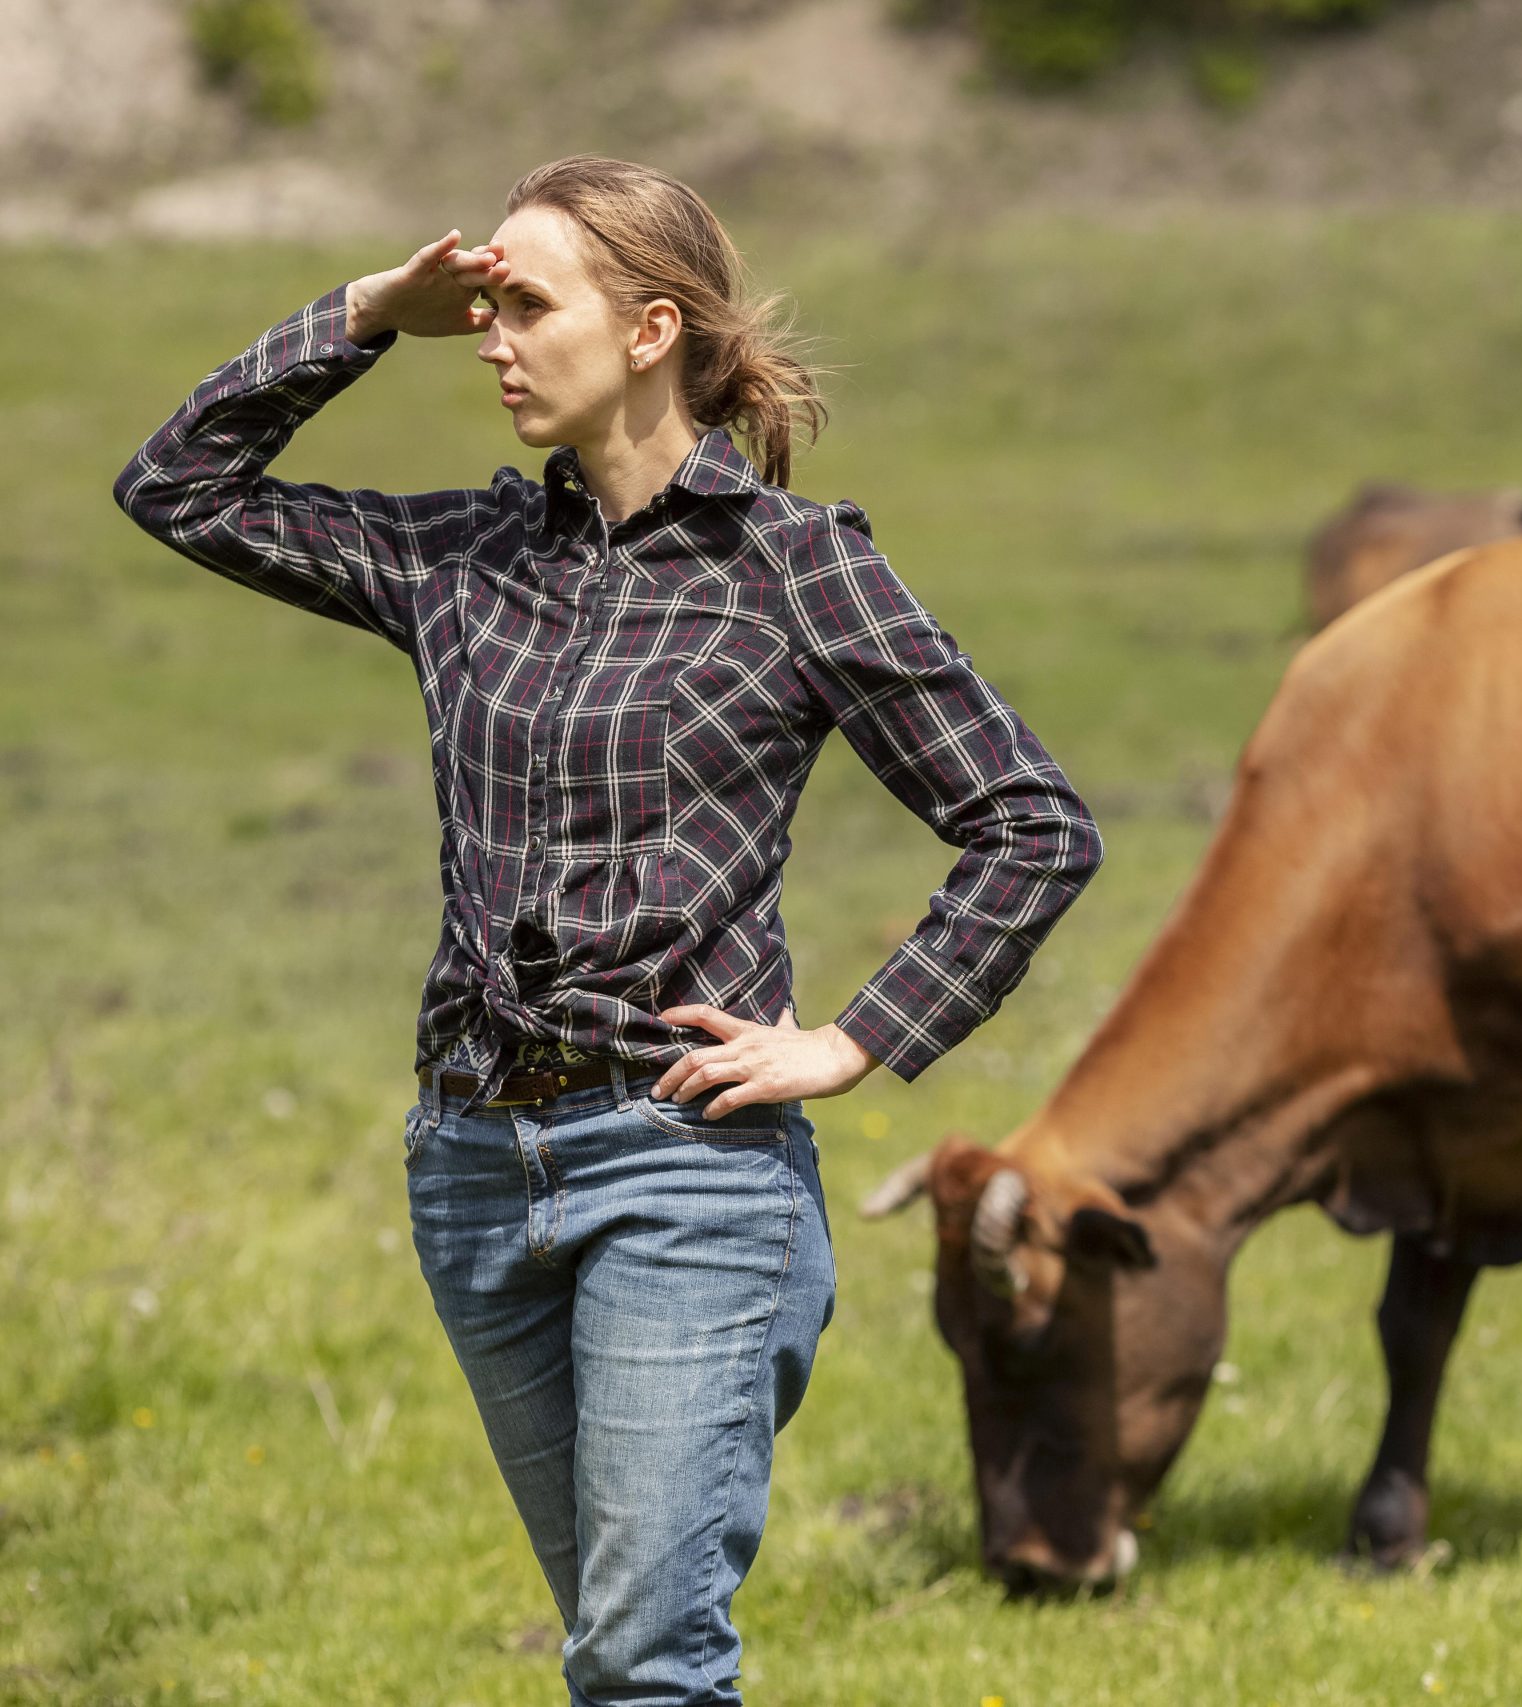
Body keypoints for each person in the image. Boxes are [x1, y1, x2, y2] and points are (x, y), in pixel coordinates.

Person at [110, 154, 1104, 1704]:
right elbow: (177, 488)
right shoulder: (459, 559)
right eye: (483, 303)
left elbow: (1031, 824)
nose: (491, 336)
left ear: (650, 330)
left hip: (686, 1169)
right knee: (622, 1657)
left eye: (525, 304)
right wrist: (369, 312)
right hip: (470, 1174)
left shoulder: (795, 572)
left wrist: (854, 1040)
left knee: (646, 1660)